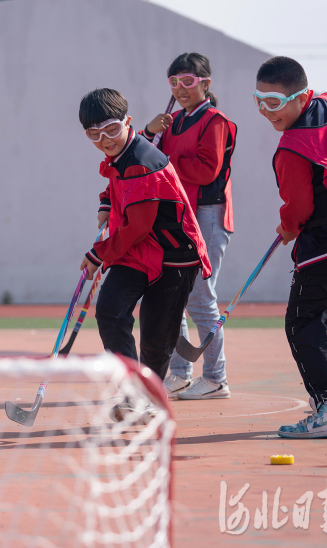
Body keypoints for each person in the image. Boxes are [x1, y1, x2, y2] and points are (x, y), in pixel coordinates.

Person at [254, 56, 327, 439]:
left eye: (274, 101)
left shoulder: (291, 147)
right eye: (259, 100)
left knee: (304, 318)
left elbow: (299, 208)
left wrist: (288, 227)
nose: (266, 110)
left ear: (301, 97)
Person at [78, 88, 211, 417]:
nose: (105, 140)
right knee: (110, 311)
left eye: (111, 129)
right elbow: (115, 181)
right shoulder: (122, 154)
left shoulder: (141, 160)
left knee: (156, 335)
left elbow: (138, 225)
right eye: (94, 134)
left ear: (128, 122)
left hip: (174, 255)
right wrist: (107, 202)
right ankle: (134, 391)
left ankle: (148, 398)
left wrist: (98, 254)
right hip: (139, 251)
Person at [141, 53, 237, 401]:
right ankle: (180, 373)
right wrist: (150, 131)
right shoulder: (172, 122)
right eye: (174, 82)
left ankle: (215, 378)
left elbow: (205, 170)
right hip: (179, 217)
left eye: (188, 81)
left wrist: (166, 163)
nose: (180, 88)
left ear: (205, 84)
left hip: (208, 215)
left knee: (199, 298)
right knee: (173, 296)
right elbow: (139, 154)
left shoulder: (215, 121)